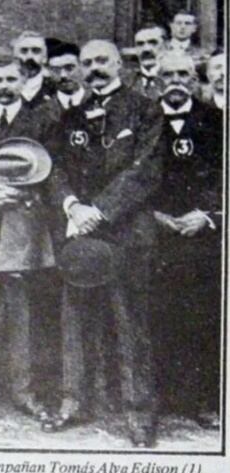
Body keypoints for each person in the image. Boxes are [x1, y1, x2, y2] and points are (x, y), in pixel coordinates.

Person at [48, 40, 163, 447]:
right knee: (75, 318)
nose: (94, 68)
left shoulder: (145, 109)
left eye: (102, 61)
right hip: (80, 230)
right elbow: (54, 166)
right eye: (87, 63)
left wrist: (99, 210)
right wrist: (72, 205)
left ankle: (138, 414)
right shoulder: (72, 116)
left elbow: (146, 170)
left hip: (127, 230)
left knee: (131, 322)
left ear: (118, 63)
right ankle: (74, 402)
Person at [0, 57, 59, 422]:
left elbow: (53, 172)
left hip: (25, 227)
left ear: (24, 80)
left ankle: (25, 392)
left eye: (10, 79)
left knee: (23, 315)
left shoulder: (43, 122)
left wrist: (24, 197)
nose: (3, 85)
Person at [152, 51, 222, 430]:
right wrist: (154, 216)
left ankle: (202, 399)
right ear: (158, 80)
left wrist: (209, 217)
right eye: (169, 74)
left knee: (202, 317)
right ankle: (162, 397)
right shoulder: (146, 119)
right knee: (159, 314)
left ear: (195, 80)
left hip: (203, 234)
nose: (176, 80)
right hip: (158, 233)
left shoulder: (217, 119)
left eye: (184, 74)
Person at [11, 31, 55, 109]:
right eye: (24, 51)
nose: (29, 56)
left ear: (44, 57)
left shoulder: (54, 88)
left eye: (36, 51)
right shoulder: (5, 85)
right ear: (16, 56)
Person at [127, 25, 166, 101]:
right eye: (140, 44)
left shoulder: (175, 77)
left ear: (164, 47)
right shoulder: (127, 81)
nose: (146, 49)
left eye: (153, 43)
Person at [48, 41, 86, 111]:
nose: (63, 75)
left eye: (69, 68)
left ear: (82, 67)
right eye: (56, 70)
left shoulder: (99, 102)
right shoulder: (41, 111)